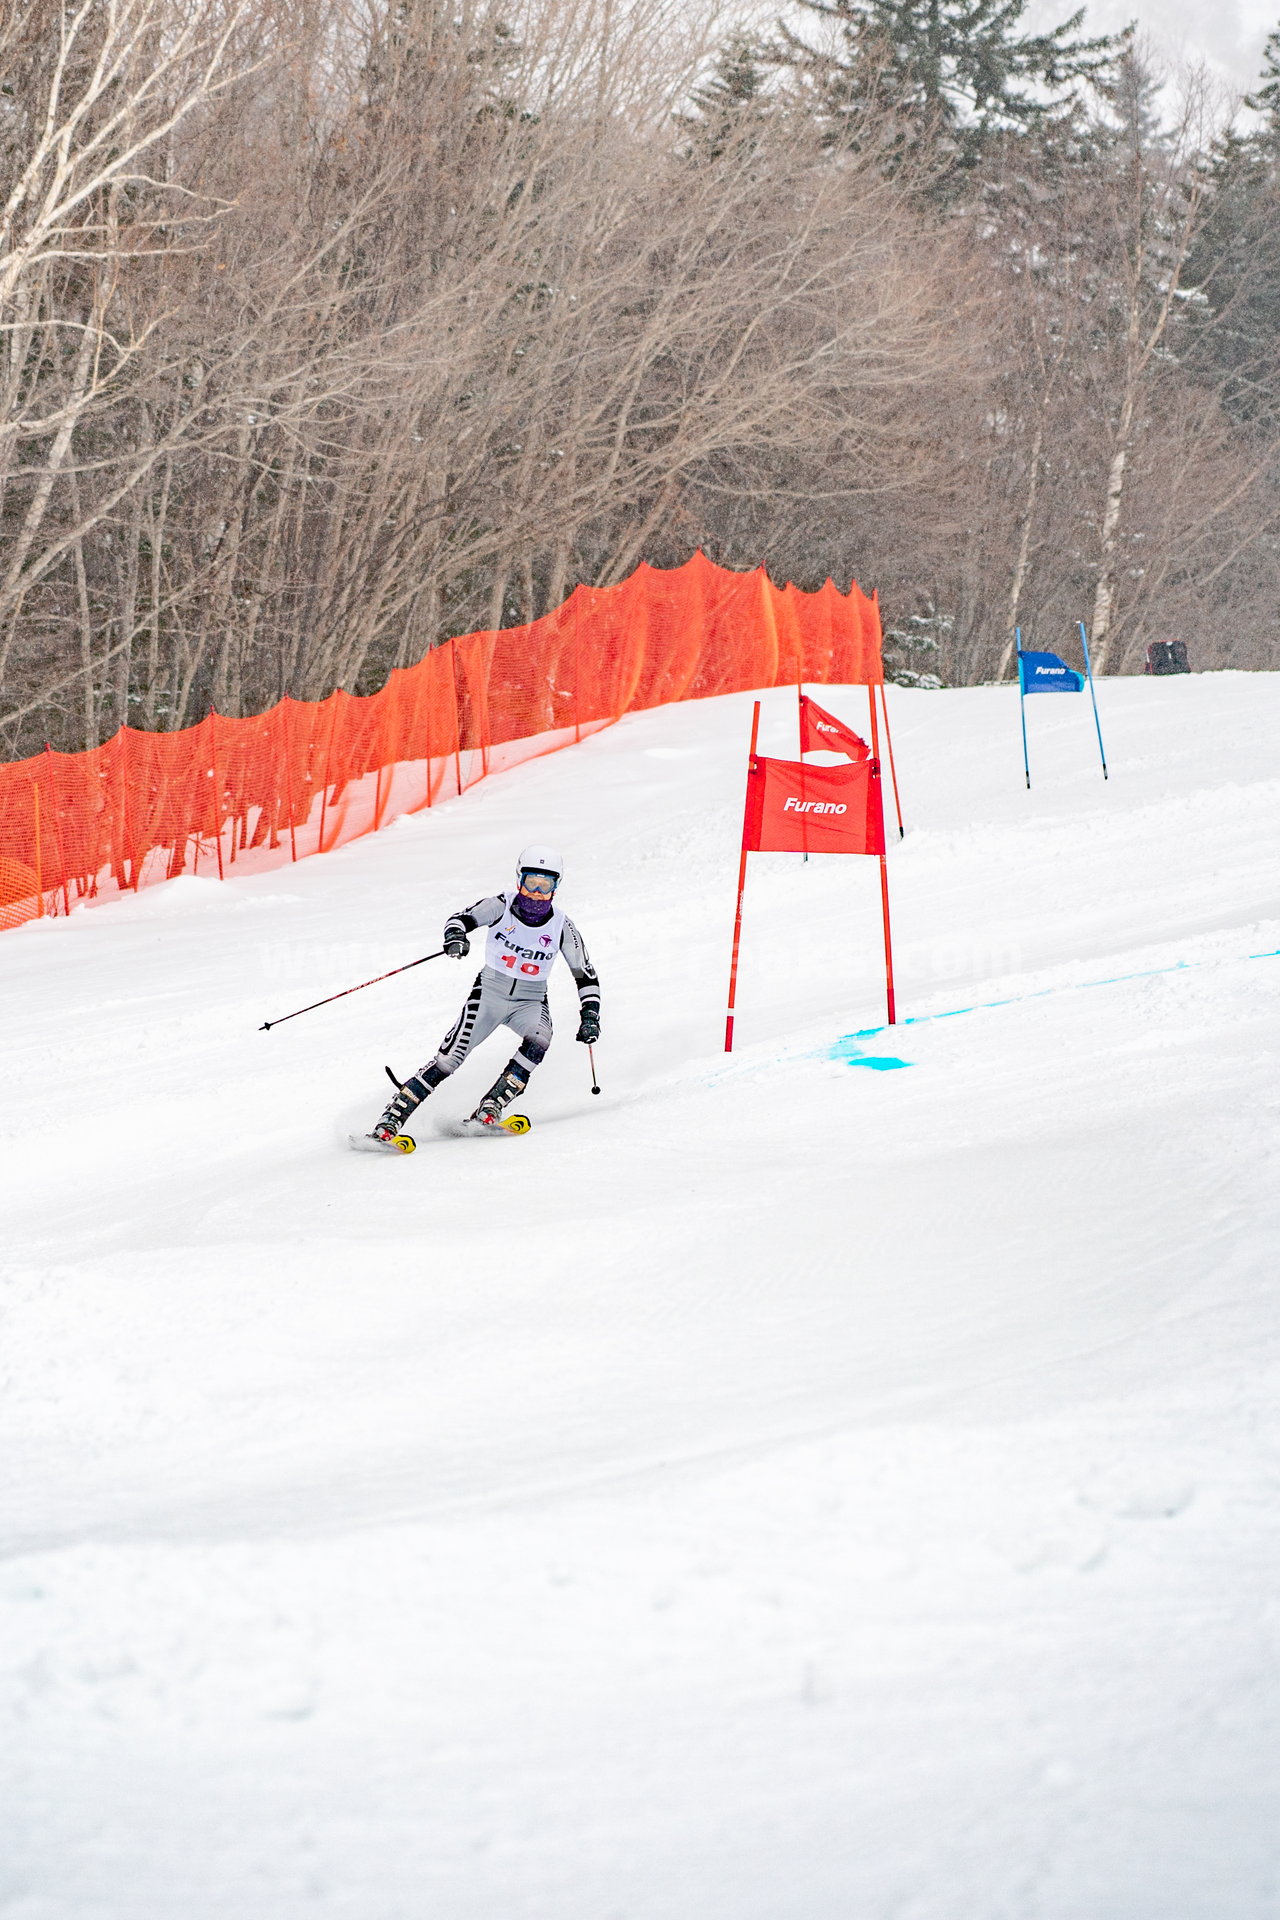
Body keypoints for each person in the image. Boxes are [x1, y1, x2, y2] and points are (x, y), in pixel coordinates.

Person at [360, 844, 600, 1148]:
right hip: (489, 994)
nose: (537, 892)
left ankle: (491, 1106)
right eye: (531, 883)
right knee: (449, 1060)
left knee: (541, 1037)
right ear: (519, 880)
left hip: (530, 999)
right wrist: (456, 936)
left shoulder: (562, 926)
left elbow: (586, 974)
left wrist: (590, 1015)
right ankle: (391, 1119)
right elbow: (460, 919)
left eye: (546, 885)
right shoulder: (501, 905)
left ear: (556, 886)